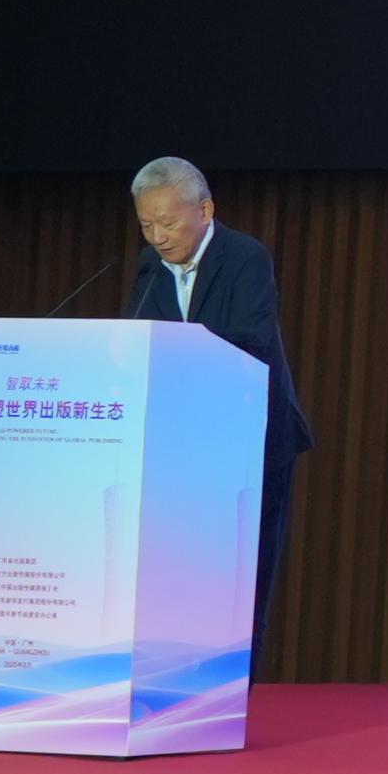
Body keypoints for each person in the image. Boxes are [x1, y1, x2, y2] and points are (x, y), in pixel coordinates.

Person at [123, 154, 314, 579]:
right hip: (180, 445)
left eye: (168, 223)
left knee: (243, 578)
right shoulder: (150, 265)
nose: (157, 237)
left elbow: (251, 343)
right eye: (146, 225)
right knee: (186, 573)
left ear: (205, 210)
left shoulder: (245, 257)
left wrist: (174, 356)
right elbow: (138, 337)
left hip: (250, 438)